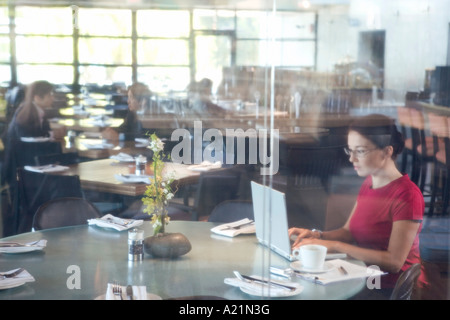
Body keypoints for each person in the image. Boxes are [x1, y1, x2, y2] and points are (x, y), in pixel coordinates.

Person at [288, 113, 428, 298]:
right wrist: (317, 235)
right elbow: (349, 231)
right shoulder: (369, 183)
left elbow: (394, 262)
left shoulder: (407, 195)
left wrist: (335, 246)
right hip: (362, 276)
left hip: (385, 287)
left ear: (387, 151)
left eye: (360, 151)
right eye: (350, 150)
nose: (352, 159)